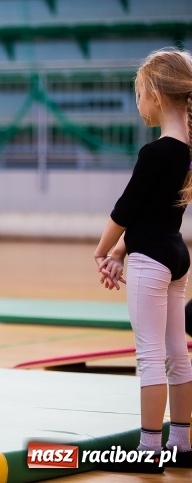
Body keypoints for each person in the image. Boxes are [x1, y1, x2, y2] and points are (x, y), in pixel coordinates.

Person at [94, 47, 192, 472]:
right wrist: (120, 250)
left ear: (154, 93)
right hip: (174, 253)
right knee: (178, 352)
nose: (138, 105)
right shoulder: (188, 149)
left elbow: (126, 209)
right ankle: (184, 443)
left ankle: (150, 450)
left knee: (151, 353)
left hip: (152, 260)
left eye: (138, 95)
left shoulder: (157, 152)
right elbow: (152, 212)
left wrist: (102, 249)